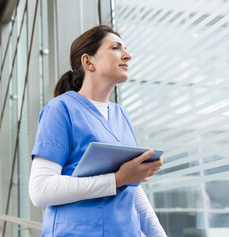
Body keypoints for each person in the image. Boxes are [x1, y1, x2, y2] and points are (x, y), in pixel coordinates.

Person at [28, 25, 167, 237]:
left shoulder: (122, 116)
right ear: (88, 62)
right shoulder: (61, 109)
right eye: (116, 48)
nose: (127, 56)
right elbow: (40, 190)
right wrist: (117, 179)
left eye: (125, 49)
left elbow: (132, 190)